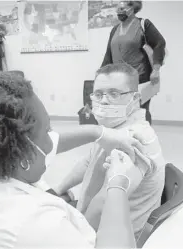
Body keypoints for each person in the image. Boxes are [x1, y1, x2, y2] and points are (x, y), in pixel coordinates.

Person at [0, 71, 147, 248]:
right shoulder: (34, 223)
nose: (52, 139)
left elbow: (38, 144)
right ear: (23, 154)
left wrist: (99, 132)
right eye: (47, 130)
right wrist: (117, 185)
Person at [53, 63, 165, 241]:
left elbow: (105, 199)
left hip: (113, 236)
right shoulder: (112, 130)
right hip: (96, 221)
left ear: (135, 98)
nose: (103, 101)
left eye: (114, 94)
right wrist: (58, 190)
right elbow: (88, 162)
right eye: (98, 94)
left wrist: (78, 236)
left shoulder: (134, 138)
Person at [101, 1, 166, 124]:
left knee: (140, 112)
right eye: (118, 8)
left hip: (139, 79)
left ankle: (145, 139)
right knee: (122, 113)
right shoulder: (115, 29)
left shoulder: (143, 24)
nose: (119, 11)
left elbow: (159, 43)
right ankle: (127, 139)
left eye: (123, 8)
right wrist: (100, 75)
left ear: (133, 8)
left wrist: (156, 69)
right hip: (118, 81)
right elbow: (108, 55)